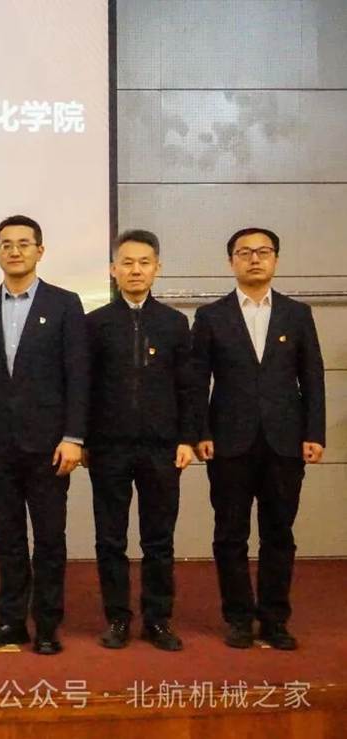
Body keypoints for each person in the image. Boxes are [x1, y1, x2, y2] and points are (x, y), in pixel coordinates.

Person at [191, 227, 325, 651]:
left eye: (263, 252)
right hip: (228, 442)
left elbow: (312, 378)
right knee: (230, 534)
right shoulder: (211, 316)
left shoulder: (297, 314)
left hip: (285, 441)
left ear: (275, 260)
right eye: (244, 252)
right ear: (231, 260)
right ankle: (238, 618)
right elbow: (197, 381)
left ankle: (274, 619)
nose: (254, 259)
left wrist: (314, 433)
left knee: (279, 533)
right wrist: (200, 432)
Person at [0, 214, 89, 656]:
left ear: (40, 250)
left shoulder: (65, 304)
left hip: (50, 445)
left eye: (23, 243)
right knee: (8, 539)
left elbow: (78, 375)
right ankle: (11, 620)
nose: (14, 251)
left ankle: (48, 624)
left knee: (50, 539)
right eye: (6, 244)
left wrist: (74, 436)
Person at [84, 229, 197, 652]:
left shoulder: (174, 323)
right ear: (113, 270)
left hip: (162, 448)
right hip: (108, 447)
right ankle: (117, 618)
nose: (135, 270)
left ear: (157, 268)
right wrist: (84, 439)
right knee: (110, 539)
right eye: (127, 263)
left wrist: (187, 438)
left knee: (158, 539)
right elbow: (84, 387)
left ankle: (157, 620)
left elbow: (188, 387)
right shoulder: (95, 323)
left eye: (144, 263)